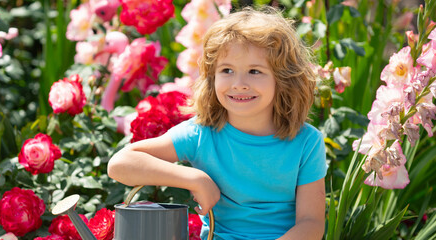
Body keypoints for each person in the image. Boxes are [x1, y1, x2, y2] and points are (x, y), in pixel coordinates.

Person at [108, 7, 327, 240]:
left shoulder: (306, 142)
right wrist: (194, 178)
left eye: (254, 71)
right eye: (227, 70)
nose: (239, 83)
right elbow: (120, 164)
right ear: (212, 78)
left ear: (283, 79)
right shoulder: (201, 134)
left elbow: (311, 223)